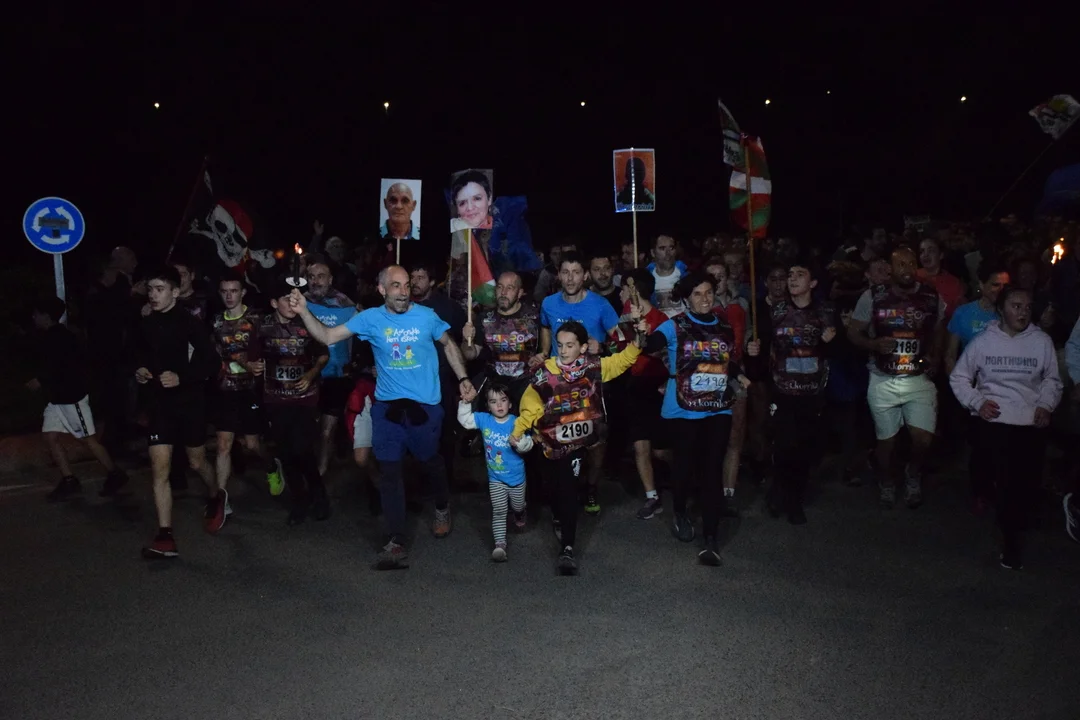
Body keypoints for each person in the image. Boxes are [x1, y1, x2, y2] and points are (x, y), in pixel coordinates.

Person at [290, 265, 474, 571]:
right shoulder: (370, 319)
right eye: (396, 286)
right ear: (381, 289)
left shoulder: (426, 316)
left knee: (429, 460)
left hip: (425, 406)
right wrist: (304, 311)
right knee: (389, 470)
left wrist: (463, 378)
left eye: (406, 285)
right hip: (388, 408)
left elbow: (449, 345)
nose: (403, 292)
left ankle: (442, 504)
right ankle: (396, 539)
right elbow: (328, 334)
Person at [510, 318, 647, 575]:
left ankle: (567, 549)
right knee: (554, 488)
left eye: (570, 345)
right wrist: (519, 430)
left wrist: (638, 341)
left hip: (576, 445)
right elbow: (530, 403)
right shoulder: (543, 372)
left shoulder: (593, 367)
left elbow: (621, 361)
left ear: (583, 347)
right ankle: (558, 514)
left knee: (568, 489)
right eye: (560, 345)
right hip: (550, 442)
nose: (563, 351)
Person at [641, 271, 750, 566]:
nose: (704, 298)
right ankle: (679, 511)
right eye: (698, 294)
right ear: (687, 298)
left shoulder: (724, 326)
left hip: (717, 406)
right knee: (685, 465)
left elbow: (725, 360)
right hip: (684, 408)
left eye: (708, 292)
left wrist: (740, 374)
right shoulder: (674, 325)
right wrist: (640, 331)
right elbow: (648, 346)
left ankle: (711, 539)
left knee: (712, 468)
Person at [950, 286, 1062, 570]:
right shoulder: (984, 342)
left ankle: (1015, 524)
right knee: (1007, 482)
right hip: (996, 423)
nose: (1022, 312)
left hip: (1029, 423)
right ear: (1001, 309)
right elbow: (960, 377)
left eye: (1027, 307)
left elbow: (1052, 379)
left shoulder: (1041, 341)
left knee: (1025, 483)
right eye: (1016, 306)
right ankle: (1011, 542)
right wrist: (978, 402)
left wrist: (1045, 404)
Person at [847, 247, 945, 510]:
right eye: (900, 265)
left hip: (918, 377)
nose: (906, 269)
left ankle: (913, 474)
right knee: (886, 442)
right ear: (890, 269)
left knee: (923, 439)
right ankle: (887, 480)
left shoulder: (931, 296)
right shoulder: (873, 296)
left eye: (911, 264)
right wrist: (873, 344)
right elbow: (853, 332)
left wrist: (936, 356)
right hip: (883, 378)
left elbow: (939, 329)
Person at [135, 266, 217, 559]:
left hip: (189, 402)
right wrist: (140, 370)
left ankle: (216, 494)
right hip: (160, 404)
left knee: (196, 461)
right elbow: (137, 354)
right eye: (150, 289)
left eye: (159, 289)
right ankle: (165, 536)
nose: (153, 295)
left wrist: (182, 377)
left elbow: (211, 362)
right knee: (160, 468)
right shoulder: (145, 323)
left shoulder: (190, 323)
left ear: (175, 291)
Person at [747, 260, 836, 524]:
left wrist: (832, 342)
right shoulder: (776, 311)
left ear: (813, 283)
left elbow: (840, 352)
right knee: (785, 444)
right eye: (790, 275)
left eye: (800, 274)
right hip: (782, 390)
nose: (793, 279)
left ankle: (791, 493)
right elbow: (761, 346)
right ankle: (786, 496)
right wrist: (752, 351)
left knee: (805, 447)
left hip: (812, 393)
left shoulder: (825, 311)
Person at [537, 252, 621, 515]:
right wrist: (544, 354)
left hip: (591, 385)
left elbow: (621, 340)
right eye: (565, 272)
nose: (570, 278)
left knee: (595, 441)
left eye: (576, 272)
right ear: (558, 275)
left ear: (585, 276)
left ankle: (591, 486)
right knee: (556, 438)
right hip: (559, 385)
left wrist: (603, 346)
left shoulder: (600, 305)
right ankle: (560, 491)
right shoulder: (549, 303)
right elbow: (546, 330)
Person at [26, 297, 129, 502]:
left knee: (87, 438)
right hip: (57, 399)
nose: (33, 317)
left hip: (71, 398)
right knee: (50, 436)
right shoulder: (53, 336)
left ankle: (114, 473)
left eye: (36, 314)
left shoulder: (61, 338)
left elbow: (63, 367)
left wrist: (41, 380)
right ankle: (69, 480)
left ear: (46, 316)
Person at [254, 277, 330, 524]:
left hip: (305, 397)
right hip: (275, 398)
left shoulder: (307, 322)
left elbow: (323, 355)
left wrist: (310, 374)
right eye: (286, 299)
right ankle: (299, 499)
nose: (291, 303)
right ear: (274, 303)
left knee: (302, 448)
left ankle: (318, 494)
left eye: (295, 299)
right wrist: (251, 365)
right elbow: (251, 356)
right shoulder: (262, 327)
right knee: (286, 451)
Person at [210, 276, 277, 510]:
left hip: (250, 390)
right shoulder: (216, 322)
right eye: (224, 291)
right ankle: (221, 501)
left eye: (234, 291)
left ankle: (271, 465)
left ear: (243, 293)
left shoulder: (257, 319)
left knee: (252, 445)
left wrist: (263, 365)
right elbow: (214, 352)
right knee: (223, 445)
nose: (229, 296)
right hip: (226, 390)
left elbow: (273, 345)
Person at [611, 269, 670, 519]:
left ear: (634, 290)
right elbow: (615, 342)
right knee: (640, 446)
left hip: (659, 387)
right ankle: (651, 497)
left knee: (660, 450)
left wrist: (642, 337)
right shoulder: (626, 315)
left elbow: (663, 354)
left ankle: (692, 471)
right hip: (635, 385)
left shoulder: (662, 319)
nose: (621, 293)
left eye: (624, 288)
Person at [458, 381, 534, 561]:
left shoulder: (517, 422)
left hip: (516, 478)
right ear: (488, 406)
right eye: (493, 401)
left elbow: (529, 444)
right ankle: (500, 545)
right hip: (495, 478)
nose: (499, 405)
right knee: (499, 510)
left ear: (510, 403)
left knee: (517, 505)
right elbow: (466, 421)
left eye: (503, 400)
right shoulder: (485, 420)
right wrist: (465, 403)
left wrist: (520, 444)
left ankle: (520, 512)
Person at [304, 253, 358, 477]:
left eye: (321, 276)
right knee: (310, 429)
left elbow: (360, 338)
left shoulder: (347, 306)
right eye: (311, 276)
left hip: (336, 376)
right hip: (307, 376)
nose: (315, 281)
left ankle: (321, 472)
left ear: (330, 279)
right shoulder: (300, 303)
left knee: (327, 429)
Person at [705, 256, 748, 510]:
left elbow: (748, 334)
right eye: (712, 277)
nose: (717, 281)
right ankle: (709, 490)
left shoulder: (740, 304)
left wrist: (751, 345)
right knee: (711, 437)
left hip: (736, 375)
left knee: (735, 434)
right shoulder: (700, 309)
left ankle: (729, 494)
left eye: (721, 276)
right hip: (709, 377)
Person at [462, 271, 541, 409]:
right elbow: (470, 355)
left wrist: (541, 357)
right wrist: (466, 339)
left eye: (510, 288)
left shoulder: (534, 317)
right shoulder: (484, 318)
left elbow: (545, 351)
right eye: (500, 287)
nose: (503, 293)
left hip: (526, 387)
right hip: (494, 388)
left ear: (520, 293)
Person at [945, 263, 1010, 375]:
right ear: (981, 284)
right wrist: (959, 383)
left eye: (1005, 286)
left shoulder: (1013, 315)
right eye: (995, 285)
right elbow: (950, 356)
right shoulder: (963, 313)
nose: (1001, 290)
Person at [917, 237, 966, 321]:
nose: (925, 255)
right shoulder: (913, 277)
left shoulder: (954, 283)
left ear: (941, 255)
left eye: (931, 251)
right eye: (922, 251)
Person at [648, 235, 688, 317]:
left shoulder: (687, 276)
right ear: (653, 252)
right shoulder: (645, 279)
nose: (668, 253)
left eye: (671, 248)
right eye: (662, 248)